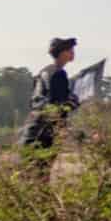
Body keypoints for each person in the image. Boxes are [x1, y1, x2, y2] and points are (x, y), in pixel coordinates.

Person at [18, 37, 81, 171]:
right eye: (70, 50)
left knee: (28, 171)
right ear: (63, 53)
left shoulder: (44, 71)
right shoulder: (59, 74)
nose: (73, 53)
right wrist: (74, 102)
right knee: (40, 173)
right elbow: (59, 104)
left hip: (33, 126)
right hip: (45, 130)